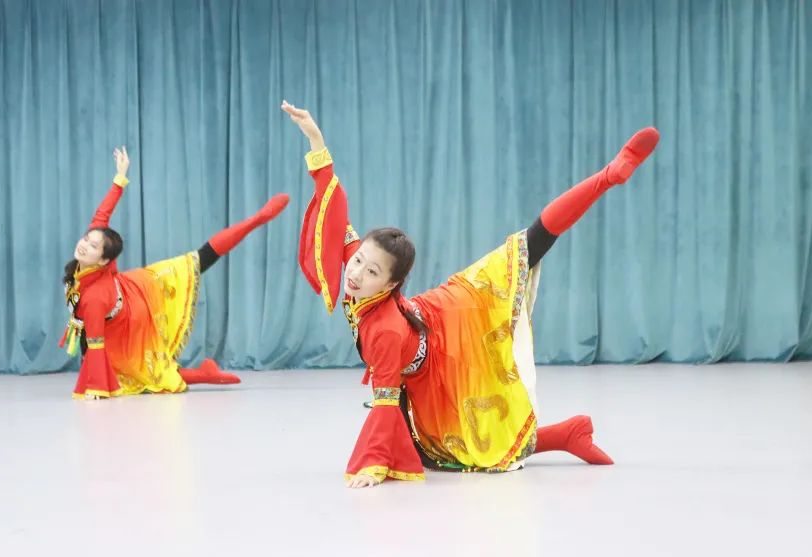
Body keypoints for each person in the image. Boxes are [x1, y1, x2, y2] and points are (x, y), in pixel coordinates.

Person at [282, 100, 659, 487]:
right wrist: (316, 141)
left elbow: (385, 402)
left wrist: (373, 465)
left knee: (528, 246)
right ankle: (567, 434)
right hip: (434, 314)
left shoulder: (385, 332)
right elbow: (335, 210)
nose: (356, 273)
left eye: (371, 271)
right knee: (435, 448)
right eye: (359, 260)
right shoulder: (358, 269)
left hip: (443, 353)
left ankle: (608, 176)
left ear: (391, 285)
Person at [61, 146, 289, 399]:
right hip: (123, 296)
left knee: (196, 263)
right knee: (141, 372)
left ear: (105, 260)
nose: (84, 245)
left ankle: (255, 220)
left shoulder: (94, 296)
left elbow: (94, 342)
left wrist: (95, 389)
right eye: (86, 239)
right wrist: (120, 177)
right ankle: (205, 374)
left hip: (130, 315)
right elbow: (101, 215)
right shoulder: (93, 256)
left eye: (93, 245)